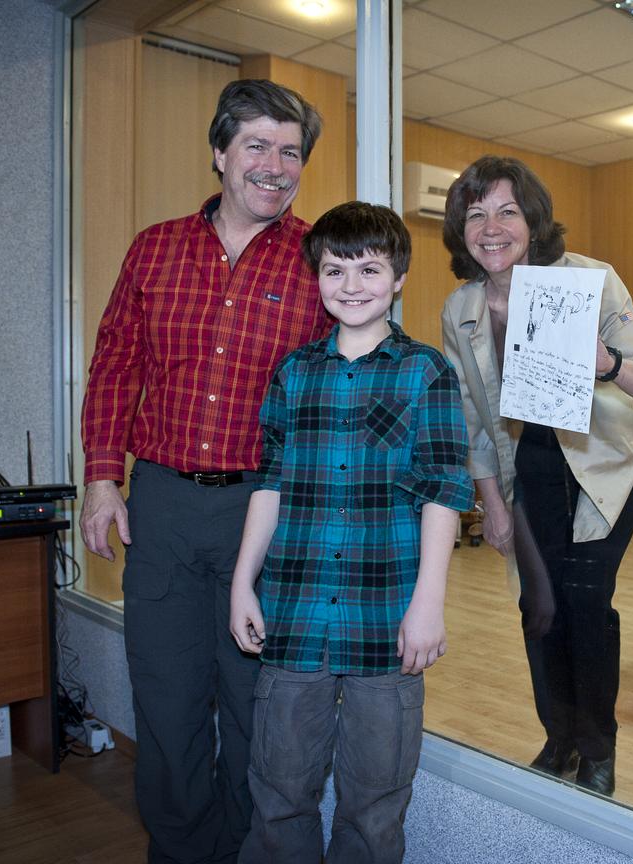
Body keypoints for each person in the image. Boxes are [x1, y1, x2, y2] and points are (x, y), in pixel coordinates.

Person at [79, 79, 330, 863]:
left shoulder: (319, 260)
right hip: (163, 509)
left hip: (269, 517)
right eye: (256, 145)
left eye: (291, 152)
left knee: (259, 714)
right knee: (168, 705)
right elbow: (116, 362)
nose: (275, 165)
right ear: (219, 152)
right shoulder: (155, 248)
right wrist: (100, 477)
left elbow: (342, 379)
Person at [229, 202, 474, 864]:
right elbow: (272, 482)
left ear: (398, 278)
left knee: (375, 803)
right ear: (317, 277)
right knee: (279, 792)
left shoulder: (425, 372)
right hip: (295, 617)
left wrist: (428, 603)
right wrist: (241, 585)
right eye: (335, 270)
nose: (352, 284)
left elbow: (445, 490)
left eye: (370, 269)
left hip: (386, 623)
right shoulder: (294, 372)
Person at [439, 155, 633, 797]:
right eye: (476, 214)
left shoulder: (590, 281)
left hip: (609, 463)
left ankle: (596, 749)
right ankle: (559, 737)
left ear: (533, 220)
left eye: (507, 211)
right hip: (530, 467)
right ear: (460, 230)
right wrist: (490, 504)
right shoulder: (460, 309)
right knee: (538, 606)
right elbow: (471, 421)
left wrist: (606, 362)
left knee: (583, 597)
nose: (492, 228)